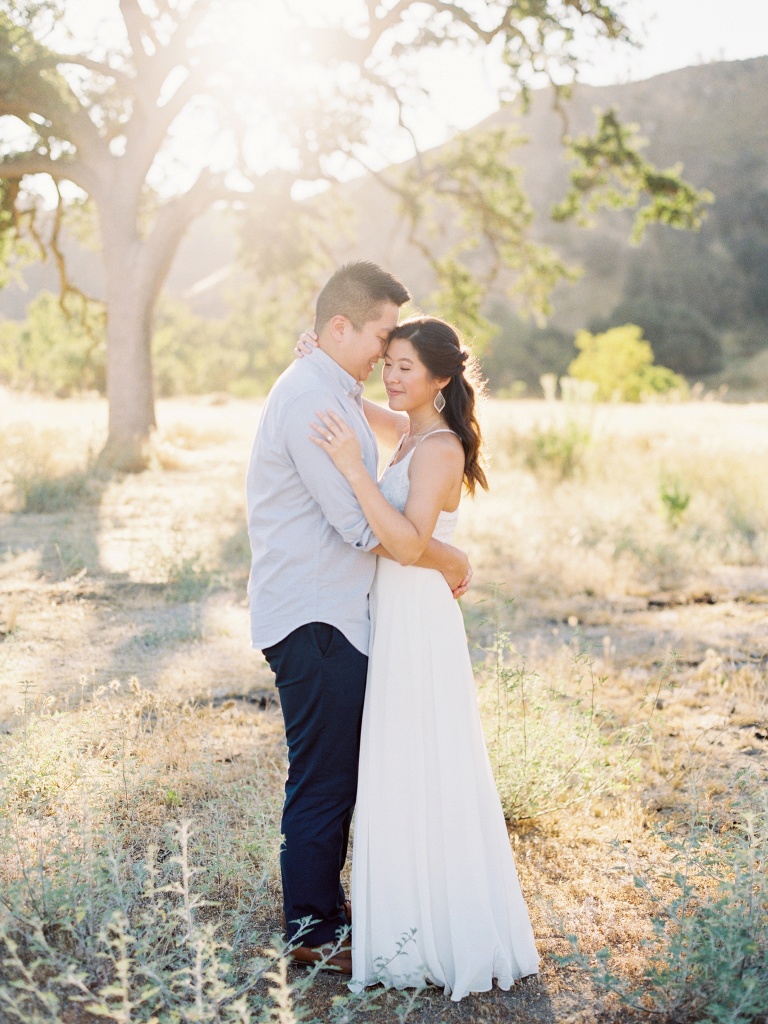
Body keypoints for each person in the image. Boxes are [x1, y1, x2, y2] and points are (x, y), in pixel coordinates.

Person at [246, 263, 473, 974]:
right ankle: (314, 931)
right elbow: (360, 527)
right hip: (319, 619)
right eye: (381, 337)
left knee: (342, 775)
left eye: (399, 353)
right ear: (341, 327)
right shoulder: (313, 400)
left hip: (339, 615)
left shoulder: (329, 388)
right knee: (324, 781)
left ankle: (331, 912)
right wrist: (447, 558)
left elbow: (396, 431)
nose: (384, 356)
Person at [308, 316, 540, 1000]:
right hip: (400, 611)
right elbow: (374, 413)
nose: (393, 376)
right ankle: (405, 918)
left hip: (417, 616)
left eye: (407, 367)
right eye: (389, 363)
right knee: (400, 761)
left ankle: (439, 930)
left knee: (424, 761)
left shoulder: (438, 446)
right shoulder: (411, 427)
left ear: (441, 378)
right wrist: (322, 363)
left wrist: (353, 469)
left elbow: (408, 544)